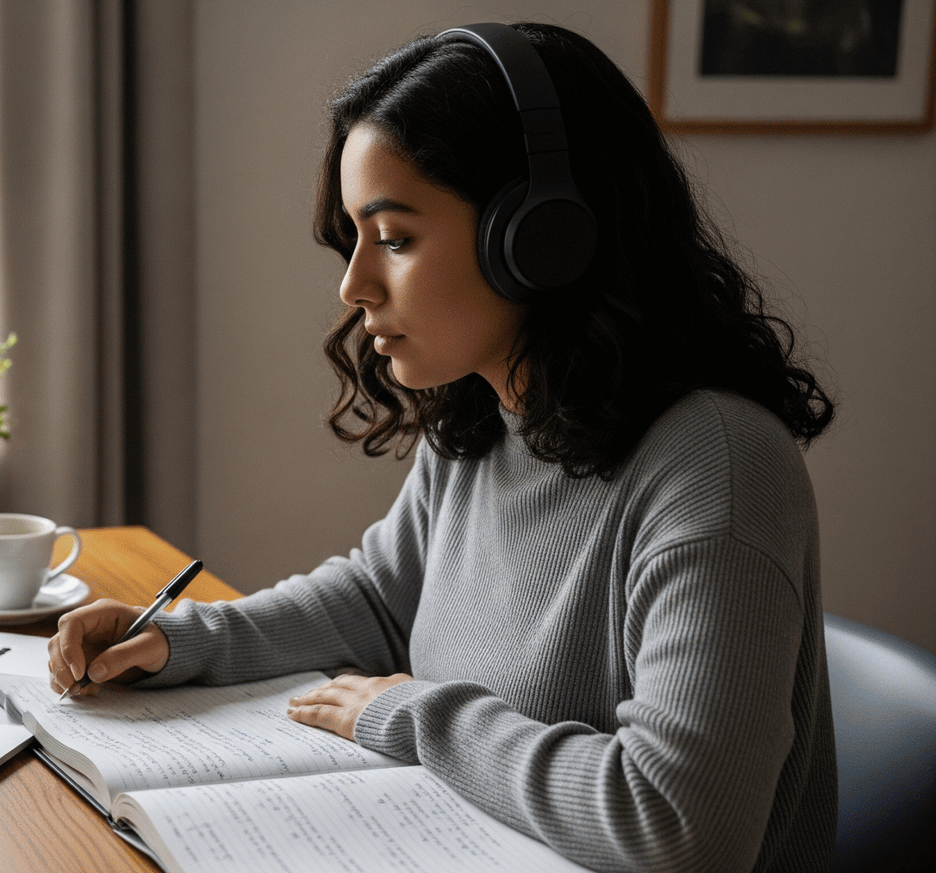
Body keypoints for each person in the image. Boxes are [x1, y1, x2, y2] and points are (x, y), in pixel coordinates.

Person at [47, 20, 837, 873]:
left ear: (541, 238)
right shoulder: (487, 416)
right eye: (354, 238)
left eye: (394, 238)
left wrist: (414, 715)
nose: (354, 286)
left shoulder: (717, 468)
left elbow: (679, 826)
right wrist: (182, 639)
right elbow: (382, 600)